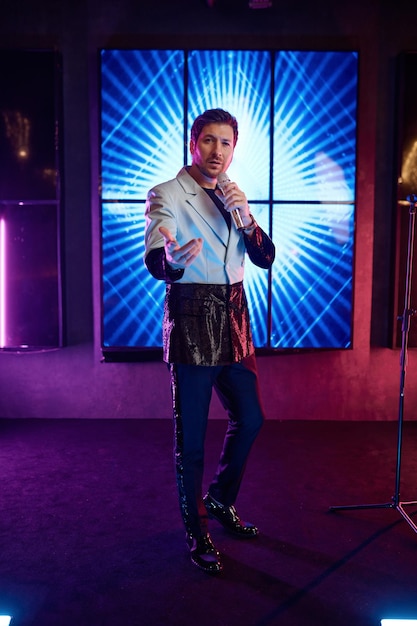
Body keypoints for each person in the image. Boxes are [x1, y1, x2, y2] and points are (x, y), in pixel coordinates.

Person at [144, 108, 275, 574]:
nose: (217, 151)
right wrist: (173, 261)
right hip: (193, 320)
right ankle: (196, 529)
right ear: (193, 142)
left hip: (235, 319)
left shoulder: (234, 196)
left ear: (234, 149)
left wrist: (245, 218)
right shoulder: (166, 193)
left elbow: (264, 258)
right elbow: (156, 256)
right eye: (208, 141)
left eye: (226, 143)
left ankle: (219, 499)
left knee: (252, 418)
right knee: (192, 442)